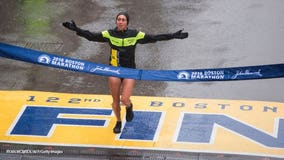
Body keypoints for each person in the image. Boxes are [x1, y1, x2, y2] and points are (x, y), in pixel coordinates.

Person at [62, 12, 188, 134]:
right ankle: (118, 121)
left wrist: (173, 35)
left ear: (127, 22)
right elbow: (91, 36)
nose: (120, 21)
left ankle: (129, 107)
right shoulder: (109, 34)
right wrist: (76, 29)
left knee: (125, 98)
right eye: (119, 19)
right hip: (114, 70)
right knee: (115, 101)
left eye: (123, 20)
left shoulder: (135, 34)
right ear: (116, 21)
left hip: (129, 71)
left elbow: (154, 37)